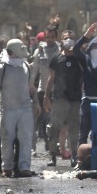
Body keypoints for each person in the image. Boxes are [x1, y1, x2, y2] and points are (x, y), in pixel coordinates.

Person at [0, 39, 39, 178]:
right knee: (6, 138)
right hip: (7, 109)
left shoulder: (25, 67)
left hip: (25, 109)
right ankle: (7, 167)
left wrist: (36, 103)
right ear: (14, 52)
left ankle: (24, 167)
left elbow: (31, 88)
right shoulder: (1, 69)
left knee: (26, 138)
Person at [43, 30, 83, 167]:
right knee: (54, 128)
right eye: (66, 38)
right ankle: (53, 156)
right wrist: (46, 96)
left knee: (74, 128)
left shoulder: (79, 58)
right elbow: (51, 78)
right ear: (61, 40)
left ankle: (74, 155)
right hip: (59, 98)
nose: (69, 40)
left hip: (75, 98)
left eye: (71, 38)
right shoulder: (57, 57)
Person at [30, 25, 61, 154]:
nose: (49, 39)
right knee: (42, 119)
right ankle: (40, 146)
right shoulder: (39, 51)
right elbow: (34, 71)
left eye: (52, 37)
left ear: (56, 37)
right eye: (47, 37)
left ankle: (55, 146)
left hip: (57, 89)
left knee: (55, 119)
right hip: (43, 89)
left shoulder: (60, 50)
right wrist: (31, 85)